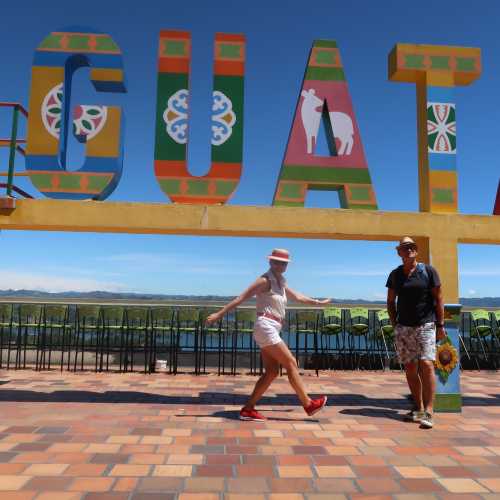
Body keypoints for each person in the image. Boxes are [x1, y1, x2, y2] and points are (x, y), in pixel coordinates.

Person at [206, 248, 330, 421]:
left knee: (271, 372)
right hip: (266, 327)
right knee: (291, 362)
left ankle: (248, 409)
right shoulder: (264, 280)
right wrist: (218, 315)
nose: (281, 265)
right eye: (277, 261)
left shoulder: (281, 282)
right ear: (270, 262)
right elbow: (241, 298)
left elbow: (298, 297)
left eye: (284, 263)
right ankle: (308, 404)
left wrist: (317, 302)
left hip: (272, 327)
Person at [386, 236, 446, 429]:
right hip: (404, 327)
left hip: (426, 325)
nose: (409, 249)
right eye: (405, 247)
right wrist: (395, 323)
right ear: (399, 252)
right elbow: (390, 301)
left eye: (412, 247)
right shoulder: (395, 275)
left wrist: (441, 324)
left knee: (427, 364)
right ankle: (418, 408)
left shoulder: (428, 271)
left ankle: (429, 411)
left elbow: (439, 298)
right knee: (410, 368)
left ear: (416, 251)